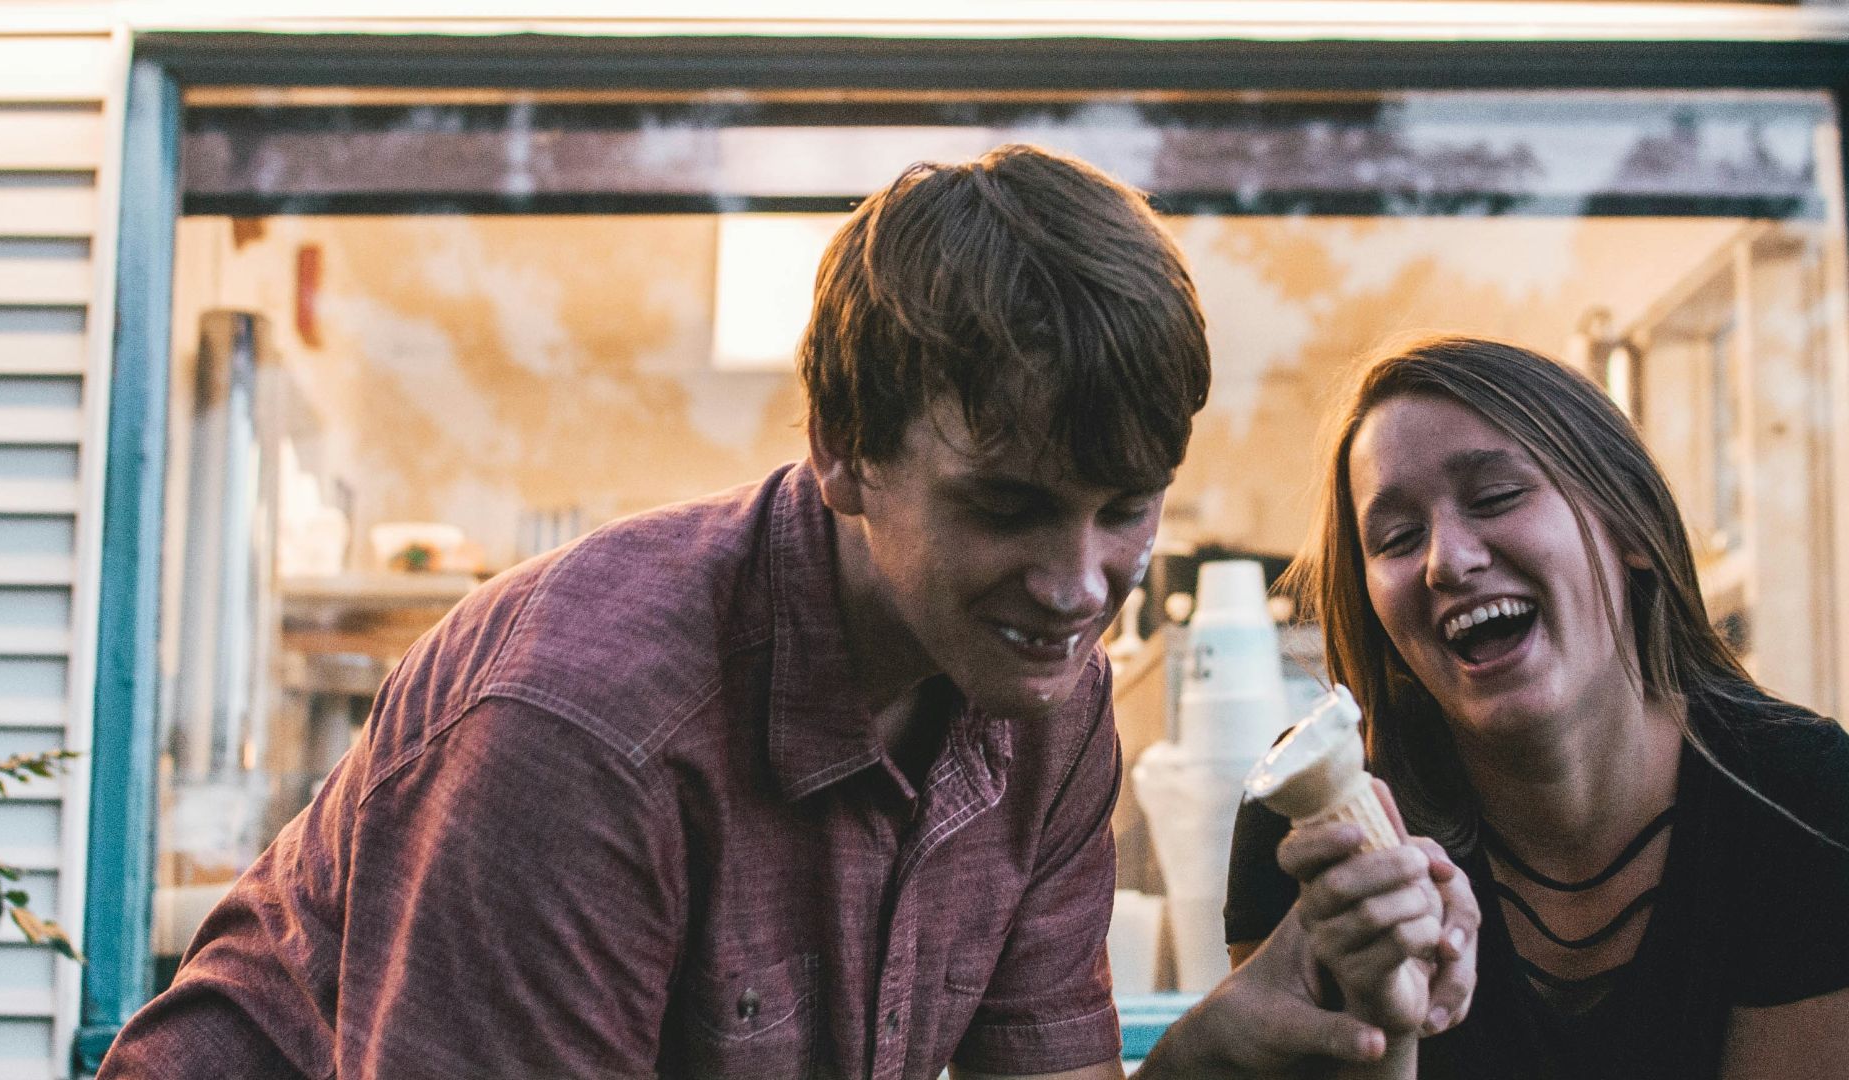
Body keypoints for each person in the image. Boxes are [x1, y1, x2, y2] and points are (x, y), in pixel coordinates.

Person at [100, 145, 1471, 1080]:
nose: (1076, 587)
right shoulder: (585, 729)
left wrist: (1221, 1045)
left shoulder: (1046, 713)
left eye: (1125, 507)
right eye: (1005, 508)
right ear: (843, 449)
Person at [1226, 335, 1849, 1079]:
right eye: (1396, 537)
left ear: (1631, 529)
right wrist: (1378, 1028)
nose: (1446, 560)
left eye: (1496, 497)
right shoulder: (1314, 838)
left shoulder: (1798, 794)